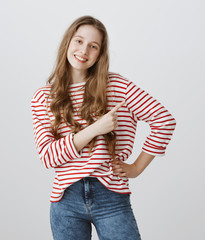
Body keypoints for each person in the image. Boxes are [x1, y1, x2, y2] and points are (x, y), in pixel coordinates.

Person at [31, 15, 176, 240]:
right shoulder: (43, 98)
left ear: (100, 53)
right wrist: (95, 129)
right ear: (67, 42)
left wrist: (137, 167)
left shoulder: (117, 86)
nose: (84, 50)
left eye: (93, 46)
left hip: (110, 195)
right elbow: (48, 157)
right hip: (65, 201)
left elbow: (164, 120)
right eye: (78, 41)